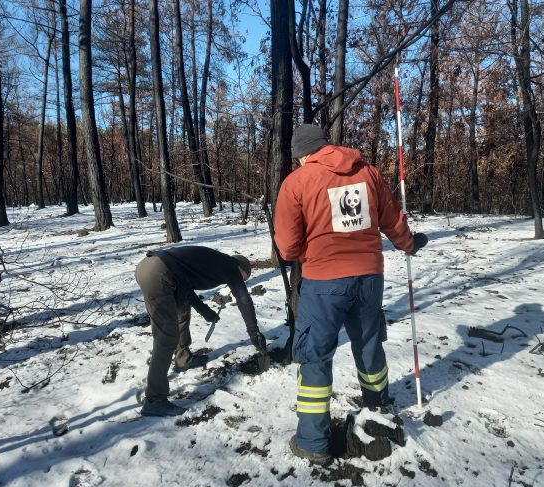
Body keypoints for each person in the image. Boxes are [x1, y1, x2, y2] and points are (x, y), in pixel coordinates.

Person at [274, 124, 428, 465]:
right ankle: (378, 408)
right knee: (369, 343)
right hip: (369, 278)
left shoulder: (296, 183)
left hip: (323, 282)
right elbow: (391, 218)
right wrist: (409, 243)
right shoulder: (367, 172)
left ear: (302, 154)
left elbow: (287, 248)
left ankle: (313, 441)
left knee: (315, 356)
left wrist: (304, 252)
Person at [135, 246, 268, 417]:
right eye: (243, 278)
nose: (239, 282)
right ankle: (154, 400)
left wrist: (205, 311)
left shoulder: (215, 263)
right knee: (166, 337)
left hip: (153, 267)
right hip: (158, 273)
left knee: (182, 311)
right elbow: (243, 299)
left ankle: (183, 359)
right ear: (241, 269)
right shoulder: (230, 266)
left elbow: (186, 289)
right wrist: (253, 331)